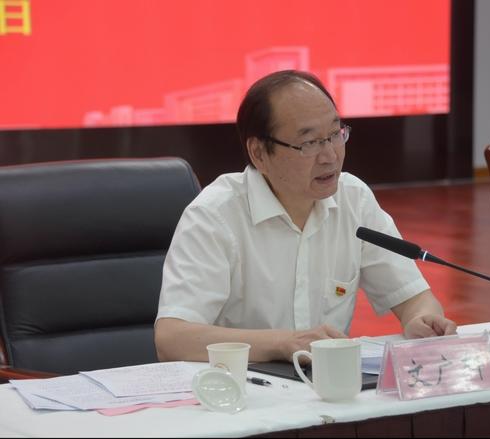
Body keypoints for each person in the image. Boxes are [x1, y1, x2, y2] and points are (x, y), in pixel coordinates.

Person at [154, 70, 456, 363]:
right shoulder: (214, 216)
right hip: (239, 388)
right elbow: (172, 338)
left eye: (335, 135)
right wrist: (283, 344)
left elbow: (414, 299)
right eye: (309, 143)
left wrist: (422, 319)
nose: (330, 156)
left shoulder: (354, 200)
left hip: (324, 389)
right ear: (259, 153)